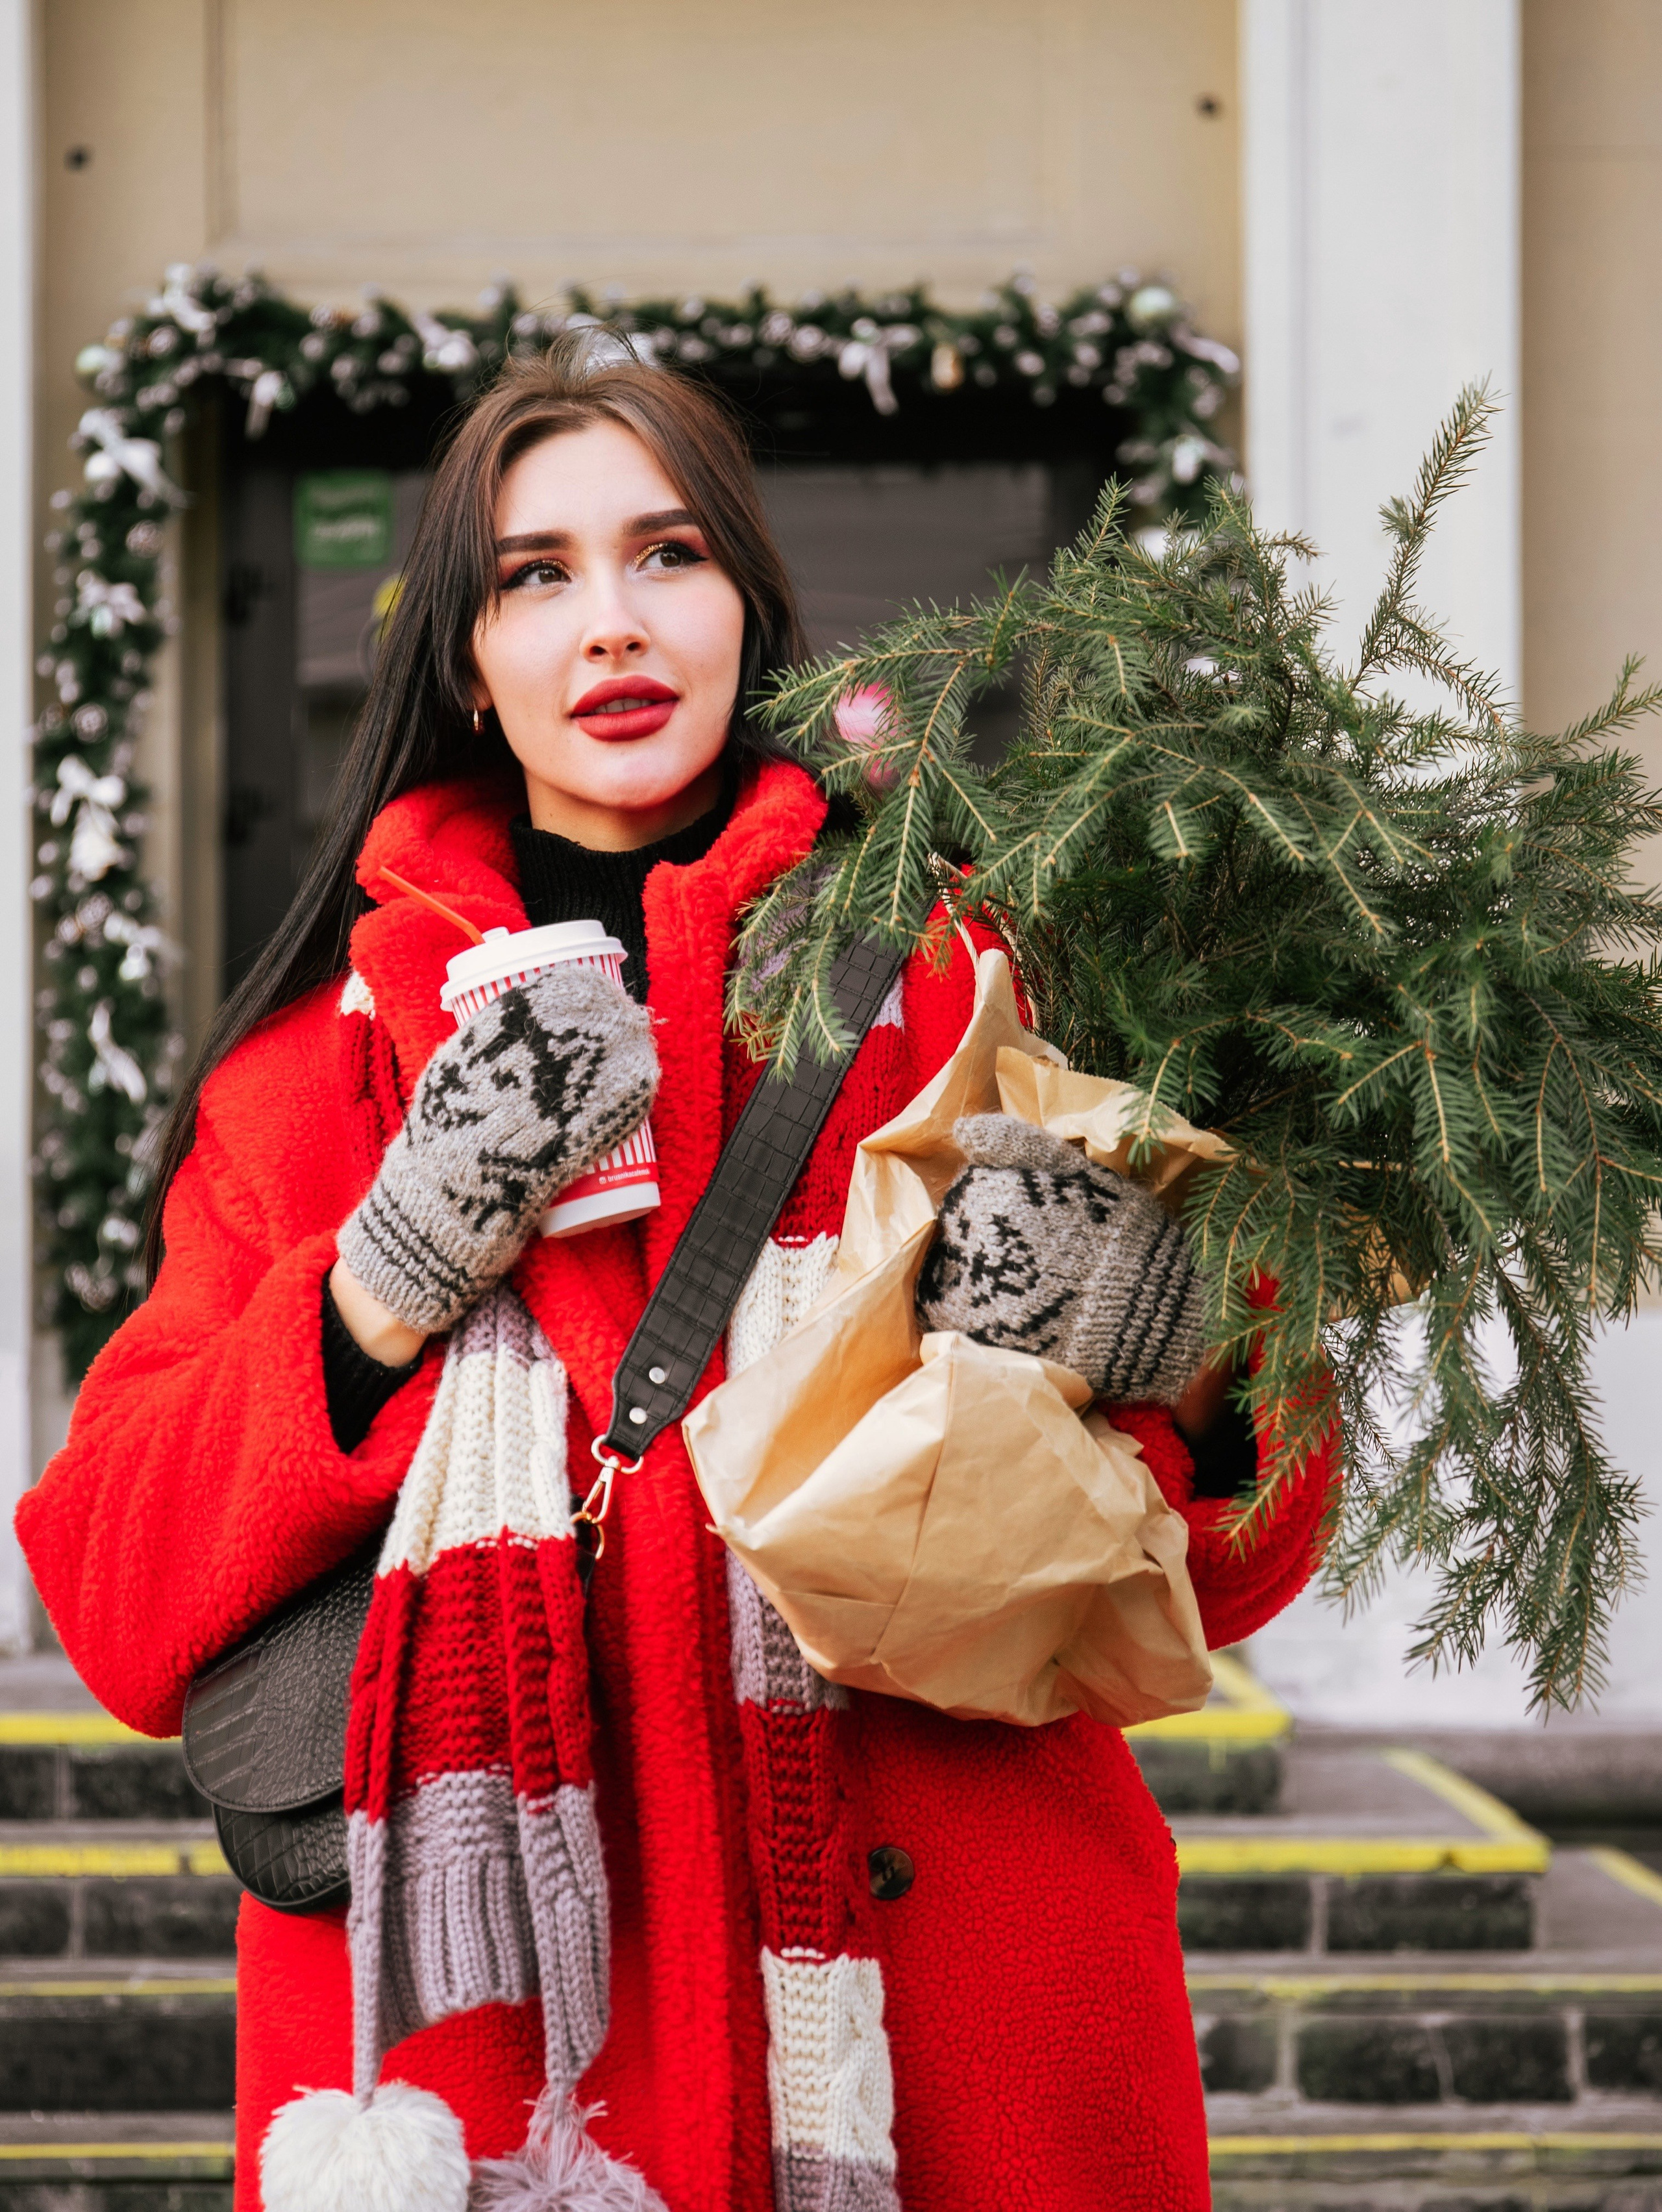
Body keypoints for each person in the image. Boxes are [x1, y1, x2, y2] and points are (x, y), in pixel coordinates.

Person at [17, 338, 1335, 2212]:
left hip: (963, 2029)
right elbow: (119, 1595)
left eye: (668, 555)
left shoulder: (967, 990)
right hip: (491, 2084)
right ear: (465, 665)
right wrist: (384, 1273)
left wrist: (1175, 1347)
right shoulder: (321, 1082)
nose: (610, 623)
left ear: (748, 611)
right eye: (534, 575)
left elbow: (1253, 1549)